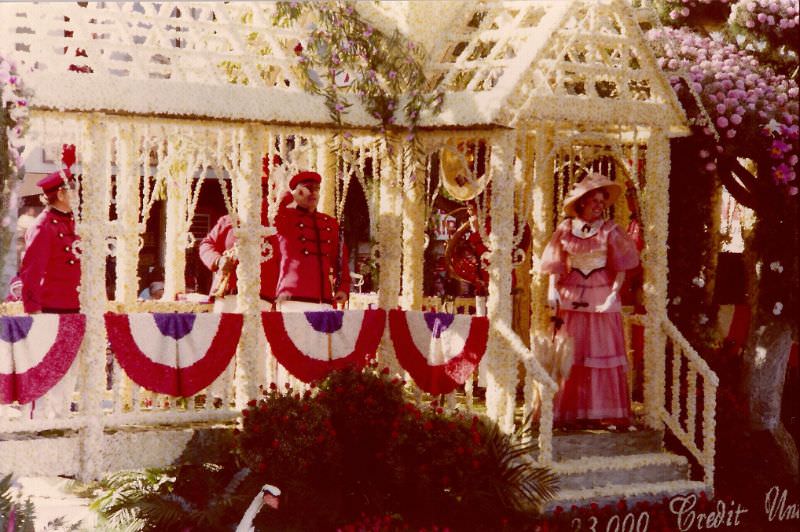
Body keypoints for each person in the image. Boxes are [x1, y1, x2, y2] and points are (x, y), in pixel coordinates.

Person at [540, 172, 640, 430]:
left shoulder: (610, 230)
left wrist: (613, 294)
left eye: (602, 201)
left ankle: (604, 411)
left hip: (600, 291)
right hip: (571, 293)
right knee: (571, 351)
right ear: (582, 202)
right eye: (594, 200)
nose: (599, 206)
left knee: (600, 350)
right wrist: (552, 290)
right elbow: (557, 263)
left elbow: (621, 267)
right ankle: (568, 410)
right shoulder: (565, 228)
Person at [199, 158, 281, 312]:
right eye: (251, 189)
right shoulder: (229, 220)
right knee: (224, 335)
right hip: (228, 294)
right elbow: (206, 245)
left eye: (262, 190)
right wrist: (218, 261)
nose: (256, 195)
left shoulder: (278, 224)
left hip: (262, 297)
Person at [274, 170, 350, 311]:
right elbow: (267, 213)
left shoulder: (330, 223)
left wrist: (342, 287)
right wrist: (290, 196)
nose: (313, 193)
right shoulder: (285, 217)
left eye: (317, 189)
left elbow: (340, 260)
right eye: (308, 188)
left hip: (324, 299)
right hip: (292, 297)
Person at [19, 169, 80, 314]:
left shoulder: (71, 222)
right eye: (73, 190)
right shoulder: (43, 226)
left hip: (76, 305)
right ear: (60, 194)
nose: (77, 195)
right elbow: (32, 272)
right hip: (52, 309)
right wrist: (33, 309)